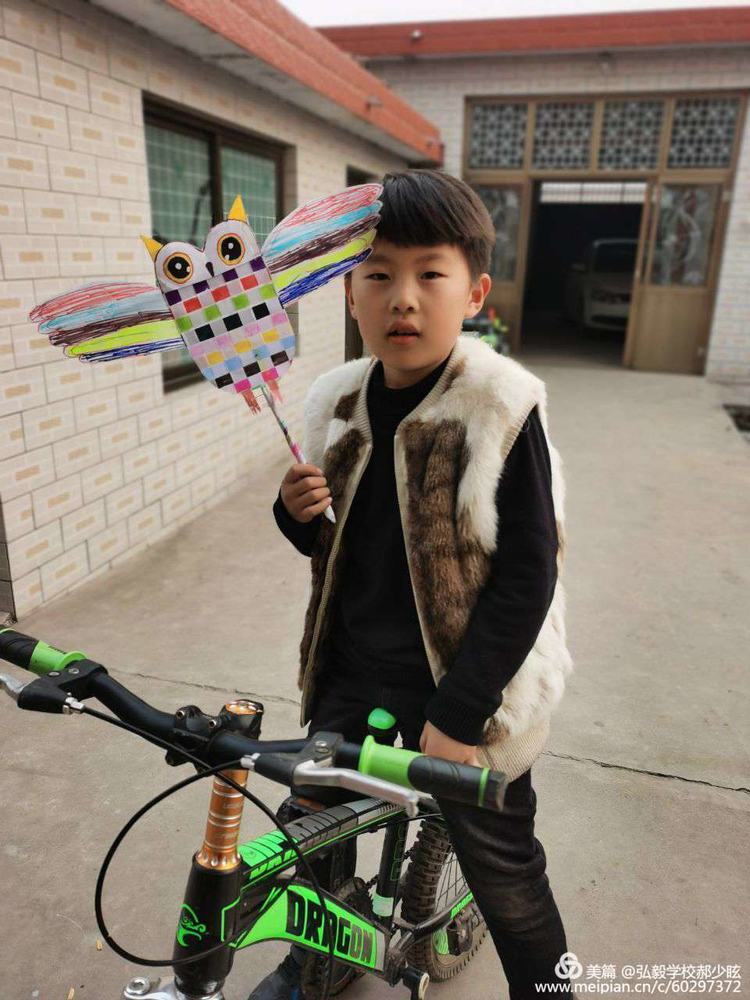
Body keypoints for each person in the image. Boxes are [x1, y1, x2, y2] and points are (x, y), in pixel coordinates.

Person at [248, 168, 574, 1000]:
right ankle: (314, 959)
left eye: (430, 273)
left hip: (468, 685)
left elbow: (529, 572)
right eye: (378, 275)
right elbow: (330, 547)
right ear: (349, 293)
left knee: (509, 879)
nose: (403, 298)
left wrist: (459, 714)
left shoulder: (499, 406)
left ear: (474, 292)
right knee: (307, 836)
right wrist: (295, 514)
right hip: (354, 673)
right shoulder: (336, 400)